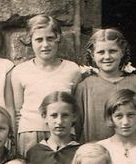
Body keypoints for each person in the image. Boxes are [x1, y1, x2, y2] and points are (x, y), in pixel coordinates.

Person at [9, 15, 83, 155]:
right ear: (30, 40)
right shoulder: (20, 71)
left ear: (58, 38)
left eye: (50, 38)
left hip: (64, 134)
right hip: (30, 134)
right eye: (39, 39)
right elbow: (18, 112)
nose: (45, 45)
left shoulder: (72, 70)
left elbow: (77, 110)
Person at [74, 28, 136, 143]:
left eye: (112, 51)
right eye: (101, 52)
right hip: (95, 150)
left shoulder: (135, 82)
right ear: (92, 55)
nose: (107, 56)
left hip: (128, 148)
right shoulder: (84, 86)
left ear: (122, 52)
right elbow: (77, 126)